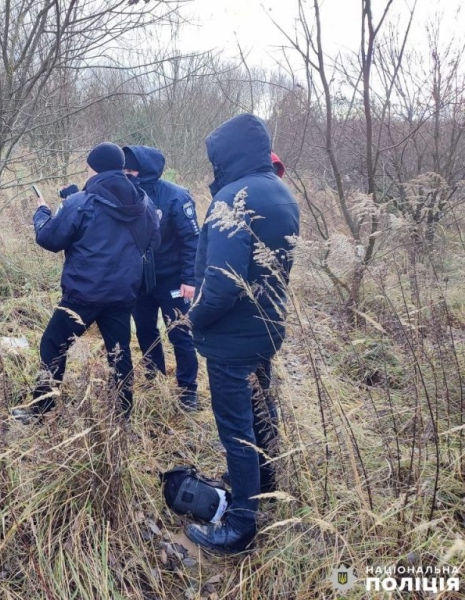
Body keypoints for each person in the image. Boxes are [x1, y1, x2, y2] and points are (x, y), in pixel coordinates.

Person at [185, 114, 299, 554]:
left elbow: (224, 283)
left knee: (236, 428)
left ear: (228, 154)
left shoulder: (234, 198)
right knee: (260, 409)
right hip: (266, 326)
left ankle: (240, 526)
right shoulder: (281, 191)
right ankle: (265, 480)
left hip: (232, 337)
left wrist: (190, 319)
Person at [12, 143, 160, 422]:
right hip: (123, 293)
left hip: (84, 294)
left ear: (92, 167)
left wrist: (42, 213)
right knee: (119, 352)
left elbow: (49, 239)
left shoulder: (81, 202)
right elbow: (155, 240)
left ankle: (42, 410)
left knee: (53, 345)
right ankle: (123, 416)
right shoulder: (144, 203)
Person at [122, 146, 200, 411]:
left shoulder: (176, 197)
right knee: (144, 330)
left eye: (131, 171)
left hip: (173, 279)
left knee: (180, 332)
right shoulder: (124, 195)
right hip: (140, 279)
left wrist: (189, 279)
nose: (126, 175)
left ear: (144, 171)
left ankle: (188, 390)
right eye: (124, 170)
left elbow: (192, 240)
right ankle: (153, 376)